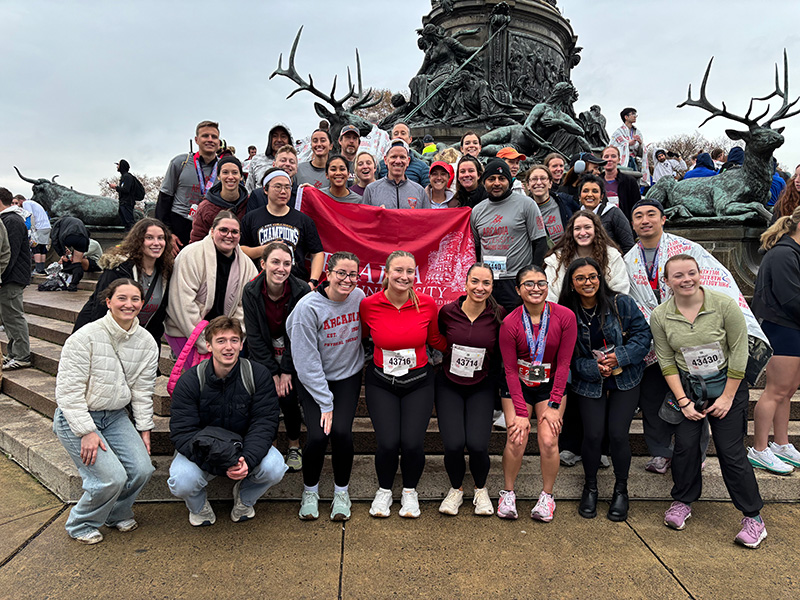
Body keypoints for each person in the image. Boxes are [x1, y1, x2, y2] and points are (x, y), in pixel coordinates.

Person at [624, 199, 768, 475]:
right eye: (638, 216)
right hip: (653, 336)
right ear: (632, 224)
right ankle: (661, 452)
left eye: (651, 214)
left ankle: (697, 453)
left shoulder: (687, 249)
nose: (645, 220)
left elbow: (715, 280)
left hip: (690, 336)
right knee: (653, 399)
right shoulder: (628, 259)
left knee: (696, 397)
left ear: (663, 219)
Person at [650, 255, 766, 548]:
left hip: (728, 385)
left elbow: (740, 353)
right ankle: (683, 501)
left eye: (691, 273)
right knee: (686, 447)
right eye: (678, 275)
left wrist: (727, 397)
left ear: (700, 274)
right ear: (667, 282)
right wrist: (683, 401)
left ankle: (753, 517)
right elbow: (666, 360)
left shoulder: (724, 306)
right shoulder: (661, 316)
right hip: (689, 390)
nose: (686, 279)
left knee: (730, 452)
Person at [53, 279, 159, 544]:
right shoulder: (84, 337)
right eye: (121, 298)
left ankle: (116, 512)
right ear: (108, 302)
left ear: (142, 304)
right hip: (78, 417)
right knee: (110, 478)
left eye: (135, 299)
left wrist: (144, 428)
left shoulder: (146, 342)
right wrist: (86, 431)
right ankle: (80, 523)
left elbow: (142, 391)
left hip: (114, 416)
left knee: (142, 469)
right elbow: (68, 391)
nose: (129, 304)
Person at [557, 257, 651, 520]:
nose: (588, 282)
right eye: (580, 278)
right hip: (589, 381)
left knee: (618, 434)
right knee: (593, 434)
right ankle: (590, 487)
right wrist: (591, 368)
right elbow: (565, 355)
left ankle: (621, 491)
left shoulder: (622, 303)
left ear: (600, 278)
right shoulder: (566, 312)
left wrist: (619, 356)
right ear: (572, 284)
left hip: (625, 378)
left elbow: (643, 336)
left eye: (593, 277)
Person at [168, 316, 286, 525]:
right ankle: (199, 508)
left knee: (275, 467)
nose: (228, 347)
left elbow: (265, 423)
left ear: (242, 345)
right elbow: (182, 432)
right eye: (221, 341)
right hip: (203, 449)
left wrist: (246, 460)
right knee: (182, 480)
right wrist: (221, 462)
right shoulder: (191, 380)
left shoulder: (257, 375)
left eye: (234, 340)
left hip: (243, 446)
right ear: (208, 345)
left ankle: (244, 498)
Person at [359, 251, 447, 518]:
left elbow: (436, 340)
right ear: (386, 273)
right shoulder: (369, 305)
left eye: (410, 271)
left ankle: (410, 492)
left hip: (418, 381)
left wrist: (470, 346)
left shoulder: (428, 304)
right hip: (381, 382)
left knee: (412, 443)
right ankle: (384, 491)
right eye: (398, 270)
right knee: (387, 442)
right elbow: (364, 336)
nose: (404, 276)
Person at [286, 251, 366, 521]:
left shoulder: (359, 297)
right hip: (313, 380)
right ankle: (310, 490)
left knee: (342, 433)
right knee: (319, 436)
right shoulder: (307, 308)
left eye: (353, 274)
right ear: (328, 274)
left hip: (347, 377)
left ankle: (341, 491)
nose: (347, 279)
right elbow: (306, 362)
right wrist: (325, 402)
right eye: (341, 273)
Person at [496, 265, 577, 521]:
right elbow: (509, 370)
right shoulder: (509, 322)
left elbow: (564, 363)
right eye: (528, 284)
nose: (536, 288)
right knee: (516, 437)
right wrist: (520, 412)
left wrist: (554, 405)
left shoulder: (565, 317)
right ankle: (507, 492)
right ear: (519, 290)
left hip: (550, 385)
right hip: (517, 386)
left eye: (541, 283)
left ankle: (547, 496)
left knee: (549, 440)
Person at [436, 263, 505, 516]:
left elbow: (501, 352)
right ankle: (456, 490)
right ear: (465, 283)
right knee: (453, 444)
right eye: (475, 281)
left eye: (486, 283)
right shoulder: (447, 312)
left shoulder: (498, 314)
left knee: (477, 444)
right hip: (449, 385)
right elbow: (440, 339)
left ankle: (480, 490)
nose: (480, 287)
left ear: (492, 287)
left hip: (482, 386)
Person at [242, 241, 309, 473]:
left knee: (289, 394)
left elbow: (300, 334)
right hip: (263, 353)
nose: (281, 268)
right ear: (263, 264)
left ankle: (293, 444)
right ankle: (268, 445)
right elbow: (254, 336)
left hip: (292, 351)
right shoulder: (251, 291)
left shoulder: (302, 291)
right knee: (266, 395)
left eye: (287, 263)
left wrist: (286, 370)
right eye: (275, 262)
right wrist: (272, 371)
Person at [164, 211, 258, 364]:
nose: (229, 235)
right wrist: (206, 343)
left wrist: (230, 339)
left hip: (223, 336)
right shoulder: (191, 255)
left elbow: (244, 307)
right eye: (223, 230)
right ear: (212, 231)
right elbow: (183, 302)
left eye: (235, 232)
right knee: (198, 380)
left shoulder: (247, 266)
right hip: (185, 330)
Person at [749, 207, 800, 474]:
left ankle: (781, 443)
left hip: (792, 327)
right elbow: (790, 299)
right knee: (776, 391)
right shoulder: (783, 253)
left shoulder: (792, 252)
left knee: (787, 392)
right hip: (782, 327)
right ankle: (759, 449)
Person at [74, 218, 173, 346]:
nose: (156, 243)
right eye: (149, 237)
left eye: (161, 238)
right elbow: (100, 307)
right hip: (107, 338)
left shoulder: (166, 273)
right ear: (138, 240)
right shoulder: (118, 268)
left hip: (139, 341)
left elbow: (157, 319)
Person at [471, 159, 548, 311]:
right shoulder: (477, 211)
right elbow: (476, 247)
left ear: (510, 180)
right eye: (491, 179)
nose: (497, 183)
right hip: (488, 282)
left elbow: (540, 243)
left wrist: (530, 278)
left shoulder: (527, 204)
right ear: (484, 182)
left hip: (516, 281)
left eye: (502, 178)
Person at [240, 169, 324, 284]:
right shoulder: (251, 218)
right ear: (265, 189)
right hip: (261, 283)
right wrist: (266, 249)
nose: (283, 191)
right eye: (278, 187)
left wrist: (312, 281)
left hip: (295, 283)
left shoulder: (303, 220)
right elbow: (241, 249)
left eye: (287, 187)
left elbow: (317, 252)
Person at [156, 120, 220, 247]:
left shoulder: (224, 168)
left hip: (210, 229)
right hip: (179, 225)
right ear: (196, 140)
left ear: (219, 141)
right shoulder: (180, 162)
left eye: (214, 137)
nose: (210, 139)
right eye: (205, 136)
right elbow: (164, 199)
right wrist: (167, 233)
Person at [544, 210, 629, 301]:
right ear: (571, 232)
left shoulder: (611, 256)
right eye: (577, 228)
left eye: (587, 227)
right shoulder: (557, 260)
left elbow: (620, 290)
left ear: (596, 230)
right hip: (566, 313)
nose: (583, 233)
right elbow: (550, 296)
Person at [0, 188, 32, 370]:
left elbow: (8, 253)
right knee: (9, 317)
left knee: (13, 317)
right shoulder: (11, 219)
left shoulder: (10, 220)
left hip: (10, 277)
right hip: (10, 276)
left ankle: (21, 355)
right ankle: (14, 353)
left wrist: (2, 276)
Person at [190, 156, 249, 243]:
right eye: (225, 172)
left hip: (246, 254)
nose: (230, 177)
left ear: (241, 176)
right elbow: (196, 241)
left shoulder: (250, 202)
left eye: (235, 172)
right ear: (218, 176)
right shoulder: (205, 208)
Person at [362, 140, 430, 209]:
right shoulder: (371, 190)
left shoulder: (419, 191)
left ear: (408, 161)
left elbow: (427, 218)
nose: (398, 161)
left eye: (402, 157)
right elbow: (364, 218)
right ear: (385, 160)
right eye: (393, 157)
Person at [575, 174, 635, 253]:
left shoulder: (613, 213)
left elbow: (628, 246)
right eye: (585, 191)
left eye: (595, 191)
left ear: (601, 196)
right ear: (579, 196)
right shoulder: (577, 217)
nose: (589, 195)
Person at [524, 164, 578, 245]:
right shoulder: (525, 209)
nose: (538, 182)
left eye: (543, 178)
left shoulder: (563, 200)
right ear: (528, 185)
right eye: (534, 179)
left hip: (568, 252)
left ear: (550, 183)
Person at [247, 145, 300, 213]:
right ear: (274, 164)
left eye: (292, 162)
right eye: (283, 160)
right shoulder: (258, 195)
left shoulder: (301, 195)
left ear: (296, 168)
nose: (287, 164)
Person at [245, 123, 294, 194]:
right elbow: (249, 188)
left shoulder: (295, 163)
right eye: (275, 136)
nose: (279, 140)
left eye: (283, 136)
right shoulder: (257, 160)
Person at [49, 215, 92, 292]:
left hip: (69, 236)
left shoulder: (59, 222)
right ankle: (73, 285)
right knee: (77, 263)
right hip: (82, 239)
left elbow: (55, 238)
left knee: (68, 257)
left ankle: (66, 280)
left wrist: (62, 253)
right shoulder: (77, 220)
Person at [600, 146, 641, 220]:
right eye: (606, 156)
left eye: (613, 156)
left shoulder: (629, 181)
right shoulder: (596, 182)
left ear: (619, 160)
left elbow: (636, 206)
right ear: (601, 160)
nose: (609, 159)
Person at [12, 194, 50, 274]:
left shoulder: (26, 203)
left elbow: (30, 215)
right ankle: (42, 269)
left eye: (17, 203)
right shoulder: (34, 203)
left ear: (21, 201)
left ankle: (38, 269)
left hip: (38, 227)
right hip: (46, 226)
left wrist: (31, 228)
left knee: (36, 248)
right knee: (43, 249)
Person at [108, 159, 138, 231]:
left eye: (118, 165)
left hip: (127, 202)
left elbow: (126, 190)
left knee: (129, 222)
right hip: (123, 202)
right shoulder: (124, 177)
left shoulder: (127, 177)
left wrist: (115, 187)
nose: (117, 167)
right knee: (125, 222)